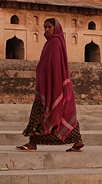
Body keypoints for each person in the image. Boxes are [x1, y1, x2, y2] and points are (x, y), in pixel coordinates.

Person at [16, 18, 85, 152]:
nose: (46, 30)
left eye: (49, 27)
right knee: (64, 113)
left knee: (40, 114)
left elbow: (53, 67)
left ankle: (33, 142)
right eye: (45, 27)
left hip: (53, 86)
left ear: (56, 28)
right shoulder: (53, 42)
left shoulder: (54, 43)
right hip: (52, 85)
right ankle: (77, 141)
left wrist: (52, 84)